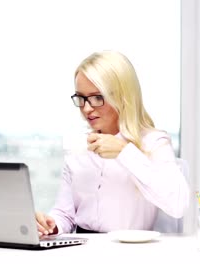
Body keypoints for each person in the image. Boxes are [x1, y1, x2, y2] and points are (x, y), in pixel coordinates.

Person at [35, 50, 189, 236]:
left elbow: (178, 204)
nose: (87, 108)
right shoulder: (79, 146)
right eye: (81, 98)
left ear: (123, 97)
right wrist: (51, 225)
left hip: (132, 251)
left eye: (97, 97)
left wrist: (125, 153)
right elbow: (65, 214)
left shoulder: (154, 143)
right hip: (82, 248)